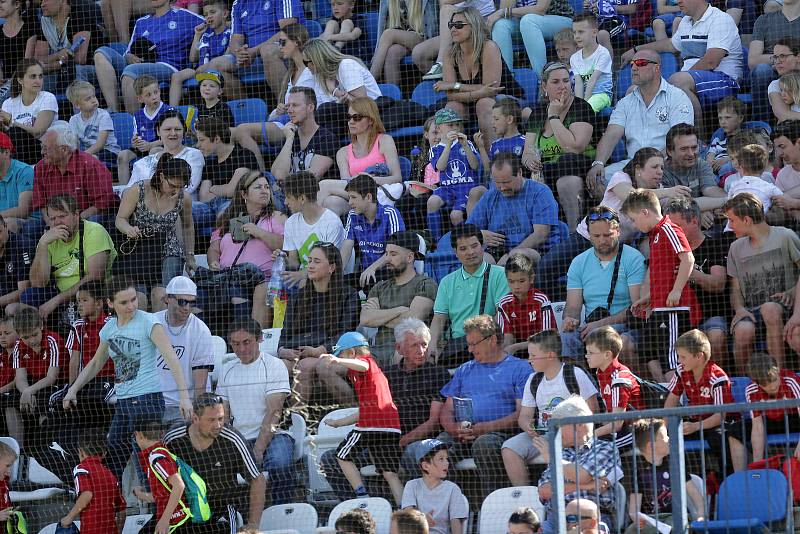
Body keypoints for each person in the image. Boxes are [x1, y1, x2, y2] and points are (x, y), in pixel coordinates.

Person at [63, 277, 194, 482]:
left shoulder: (149, 322)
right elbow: (96, 363)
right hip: (124, 403)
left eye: (133, 299)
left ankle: (156, 510)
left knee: (147, 463)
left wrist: (184, 397)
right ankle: (114, 509)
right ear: (110, 303)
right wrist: (73, 389)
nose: (131, 306)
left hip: (147, 401)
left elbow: (172, 358)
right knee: (113, 457)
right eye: (124, 302)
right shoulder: (109, 329)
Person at [318, 318, 453, 495]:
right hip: (384, 439)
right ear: (399, 348)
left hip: (418, 442)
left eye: (424, 345)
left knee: (414, 452)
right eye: (414, 346)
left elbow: (434, 422)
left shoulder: (438, 374)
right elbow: (370, 407)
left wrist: (403, 442)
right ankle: (361, 508)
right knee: (330, 459)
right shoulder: (385, 374)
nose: (421, 351)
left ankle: (415, 508)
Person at [438, 315, 533, 497]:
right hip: (463, 433)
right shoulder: (464, 369)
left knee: (484, 444)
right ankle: (453, 510)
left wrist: (485, 428)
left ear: (493, 340)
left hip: (502, 433)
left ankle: (496, 505)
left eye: (474, 344)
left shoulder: (520, 368)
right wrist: (454, 429)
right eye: (469, 344)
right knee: (432, 448)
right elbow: (447, 409)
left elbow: (522, 414)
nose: (470, 349)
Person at [620, 0, 742, 128]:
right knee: (633, 91)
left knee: (678, 81)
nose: (678, 1)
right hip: (688, 80)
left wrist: (669, 87)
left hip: (725, 81)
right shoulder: (686, 21)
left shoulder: (720, 19)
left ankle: (697, 141)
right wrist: (636, 50)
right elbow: (670, 45)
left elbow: (711, 62)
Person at [501, 330, 599, 487]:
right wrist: (528, 427)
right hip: (544, 435)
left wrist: (569, 432)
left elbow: (593, 410)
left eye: (533, 356)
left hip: (572, 436)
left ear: (550, 355)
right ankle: (529, 498)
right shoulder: (533, 380)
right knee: (509, 448)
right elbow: (524, 416)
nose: (529, 360)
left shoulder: (575, 374)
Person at [585, 50, 694, 191]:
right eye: (632, 64)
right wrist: (598, 163)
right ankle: (617, 213)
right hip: (634, 165)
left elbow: (681, 141)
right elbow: (611, 136)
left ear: (657, 68)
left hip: (666, 165)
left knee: (641, 183)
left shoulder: (677, 98)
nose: (634, 68)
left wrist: (649, 164)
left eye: (641, 63)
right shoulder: (625, 102)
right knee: (597, 181)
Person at [622, 188, 699, 382]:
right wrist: (650, 297)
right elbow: (663, 274)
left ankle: (681, 407)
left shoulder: (668, 229)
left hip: (674, 309)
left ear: (645, 212)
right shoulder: (654, 235)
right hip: (660, 306)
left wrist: (676, 290)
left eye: (633, 219)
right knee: (661, 359)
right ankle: (671, 401)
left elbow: (688, 259)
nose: (633, 224)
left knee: (674, 361)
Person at [216, 319, 295, 505]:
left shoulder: (275, 365)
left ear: (259, 339)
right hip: (239, 438)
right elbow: (223, 416)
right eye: (235, 344)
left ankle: (282, 510)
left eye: (246, 342)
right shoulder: (226, 370)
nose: (241, 349)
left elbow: (274, 412)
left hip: (276, 435)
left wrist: (257, 450)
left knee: (279, 464)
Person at [163, 393, 266, 533]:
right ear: (195, 418)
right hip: (185, 512)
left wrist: (253, 524)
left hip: (220, 512)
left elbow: (257, 480)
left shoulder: (233, 439)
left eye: (221, 418)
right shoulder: (173, 440)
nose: (218, 425)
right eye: (211, 420)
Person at [322, 331, 404, 505]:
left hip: (371, 426)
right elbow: (366, 409)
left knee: (342, 455)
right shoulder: (363, 376)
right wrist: (338, 423)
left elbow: (363, 365)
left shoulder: (368, 364)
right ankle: (405, 509)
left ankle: (361, 496)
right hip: (390, 427)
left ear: (351, 353)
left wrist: (337, 360)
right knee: (389, 473)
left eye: (342, 354)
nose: (340, 359)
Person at [725, 192, 800, 374]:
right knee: (743, 330)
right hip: (751, 311)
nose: (729, 225)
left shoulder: (785, 236)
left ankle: (778, 377)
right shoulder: (735, 248)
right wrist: (739, 309)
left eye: (732, 220)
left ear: (747, 220)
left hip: (785, 308)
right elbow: (735, 289)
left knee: (769, 309)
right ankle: (748, 385)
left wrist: (791, 292)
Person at [276, 241, 359, 405]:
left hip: (333, 353)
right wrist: (283, 350)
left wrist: (320, 350)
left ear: (332, 268)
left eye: (317, 261)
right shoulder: (297, 298)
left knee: (305, 365)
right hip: (299, 352)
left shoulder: (348, 295)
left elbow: (345, 335)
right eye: (309, 261)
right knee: (277, 366)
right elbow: (284, 336)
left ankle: (298, 419)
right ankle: (279, 419)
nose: (310, 266)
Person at [230, 24, 321, 169]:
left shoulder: (312, 71)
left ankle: (261, 177)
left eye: (283, 42)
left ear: (297, 42)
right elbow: (279, 112)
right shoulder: (290, 74)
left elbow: (319, 103)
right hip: (283, 121)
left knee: (242, 130)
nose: (280, 47)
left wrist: (293, 110)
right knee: (230, 133)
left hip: (298, 124)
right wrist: (279, 110)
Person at [560, 207, 645, 361]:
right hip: (591, 327)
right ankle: (580, 382)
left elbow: (637, 308)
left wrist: (600, 324)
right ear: (589, 236)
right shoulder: (579, 262)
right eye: (596, 236)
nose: (602, 241)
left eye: (607, 235)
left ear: (618, 231)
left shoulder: (634, 258)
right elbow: (572, 307)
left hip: (627, 326)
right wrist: (569, 320)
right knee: (566, 339)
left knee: (599, 337)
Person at [521, 61, 597, 231]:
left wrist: (554, 117)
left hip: (577, 166)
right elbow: (527, 151)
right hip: (548, 169)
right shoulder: (539, 112)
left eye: (565, 81)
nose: (562, 86)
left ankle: (573, 231)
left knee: (566, 161)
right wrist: (530, 161)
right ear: (544, 87)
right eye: (555, 82)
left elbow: (575, 147)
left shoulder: (580, 107)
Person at [92, 0, 204, 114]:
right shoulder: (141, 22)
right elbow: (128, 50)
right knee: (100, 54)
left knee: (130, 72)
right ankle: (113, 112)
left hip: (168, 66)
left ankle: (133, 125)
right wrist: (128, 56)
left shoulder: (184, 16)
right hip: (140, 63)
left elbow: (209, 23)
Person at [204, 171, 284, 329]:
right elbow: (214, 248)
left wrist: (259, 232)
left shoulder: (276, 217)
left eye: (267, 187)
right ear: (244, 194)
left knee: (240, 293)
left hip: (262, 279)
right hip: (228, 276)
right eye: (258, 187)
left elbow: (285, 244)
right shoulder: (226, 219)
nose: (264, 191)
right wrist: (213, 261)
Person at [433, 7, 523, 147]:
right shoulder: (450, 53)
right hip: (473, 101)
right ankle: (457, 158)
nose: (453, 29)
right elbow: (451, 95)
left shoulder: (488, 47)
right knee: (452, 107)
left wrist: (455, 86)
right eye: (451, 25)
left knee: (484, 103)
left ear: (474, 25)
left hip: (506, 98)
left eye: (459, 25)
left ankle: (493, 159)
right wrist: (479, 92)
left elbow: (492, 89)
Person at [115, 154, 195, 312]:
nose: (176, 191)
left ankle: (162, 334)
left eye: (181, 187)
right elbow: (120, 219)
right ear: (162, 177)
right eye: (173, 185)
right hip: (139, 247)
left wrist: (190, 255)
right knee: (140, 298)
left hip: (168, 248)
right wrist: (129, 229)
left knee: (162, 295)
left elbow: (187, 226)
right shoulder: (138, 190)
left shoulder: (184, 198)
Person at [535, 396, 622, 534]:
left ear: (579, 424)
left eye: (559, 425)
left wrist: (553, 459)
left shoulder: (606, 448)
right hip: (556, 518)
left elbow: (581, 475)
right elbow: (544, 491)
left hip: (590, 518)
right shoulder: (560, 453)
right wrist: (587, 486)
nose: (554, 431)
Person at [665, 329, 747, 473]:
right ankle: (690, 482)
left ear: (699, 356)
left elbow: (720, 416)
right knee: (668, 438)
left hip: (722, 423)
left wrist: (695, 426)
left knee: (718, 438)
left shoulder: (718, 377)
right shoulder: (681, 371)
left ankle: (728, 480)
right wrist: (665, 429)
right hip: (696, 422)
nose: (679, 361)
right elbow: (671, 402)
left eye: (683, 357)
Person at [664, 197, 733, 367]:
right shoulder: (667, 251)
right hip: (677, 317)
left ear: (694, 221)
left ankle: (716, 383)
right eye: (669, 228)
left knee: (715, 336)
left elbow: (718, 284)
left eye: (677, 227)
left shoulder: (714, 246)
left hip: (711, 314)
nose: (672, 232)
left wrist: (689, 273)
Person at [24, 194, 116, 321]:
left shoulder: (94, 231)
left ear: (76, 215)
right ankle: (41, 339)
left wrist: (56, 300)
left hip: (93, 294)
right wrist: (43, 245)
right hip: (61, 295)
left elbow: (95, 277)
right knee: (29, 296)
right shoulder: (49, 238)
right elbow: (37, 283)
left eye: (62, 216)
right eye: (52, 218)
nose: (57, 222)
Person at [429, 225, 510, 367]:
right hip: (457, 349)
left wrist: (480, 339)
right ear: (455, 252)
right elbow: (438, 320)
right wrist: (432, 345)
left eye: (474, 246)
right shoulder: (447, 282)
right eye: (463, 249)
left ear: (482, 246)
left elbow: (501, 314)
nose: (470, 252)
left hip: (487, 343)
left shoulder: (500, 274)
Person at [467, 152, 565, 264]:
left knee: (514, 259)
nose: (502, 188)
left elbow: (541, 234)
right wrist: (479, 234)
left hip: (534, 251)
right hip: (497, 251)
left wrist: (512, 253)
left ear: (519, 172)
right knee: (478, 260)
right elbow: (467, 231)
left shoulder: (540, 192)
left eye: (506, 182)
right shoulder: (491, 195)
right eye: (497, 182)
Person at [359, 232, 437, 365]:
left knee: (401, 357)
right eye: (386, 253)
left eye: (393, 254)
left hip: (408, 350)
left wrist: (380, 319)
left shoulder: (425, 284)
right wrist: (399, 310)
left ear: (410, 257)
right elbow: (366, 319)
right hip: (376, 350)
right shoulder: (380, 287)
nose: (387, 259)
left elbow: (413, 321)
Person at [29, 122, 118, 237]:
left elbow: (101, 204)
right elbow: (41, 203)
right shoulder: (41, 168)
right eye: (42, 148)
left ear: (64, 150)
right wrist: (51, 224)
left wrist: (73, 221)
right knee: (30, 229)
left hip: (85, 216)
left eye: (46, 149)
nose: (42, 152)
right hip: (54, 219)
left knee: (93, 223)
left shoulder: (90, 165)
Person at [204, 0, 304, 102]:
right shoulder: (238, 3)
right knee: (214, 65)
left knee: (267, 51)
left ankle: (286, 106)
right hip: (251, 54)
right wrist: (239, 53)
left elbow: (289, 30)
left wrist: (254, 51)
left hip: (285, 46)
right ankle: (247, 108)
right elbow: (235, 39)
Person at [623, 418, 706, 533]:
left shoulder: (676, 465)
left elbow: (698, 500)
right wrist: (636, 518)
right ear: (651, 446)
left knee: (673, 527)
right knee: (630, 531)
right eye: (665, 436)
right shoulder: (639, 471)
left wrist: (701, 518)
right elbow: (633, 509)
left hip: (677, 518)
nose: (669, 439)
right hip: (651, 521)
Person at [325, 97, 403, 217]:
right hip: (354, 197)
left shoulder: (384, 141)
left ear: (371, 120)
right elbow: (346, 185)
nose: (351, 122)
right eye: (349, 117)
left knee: (323, 186)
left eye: (356, 118)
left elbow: (397, 178)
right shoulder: (343, 152)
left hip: (376, 195)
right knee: (331, 202)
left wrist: (367, 179)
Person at [154, 276, 213, 427]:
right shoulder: (152, 323)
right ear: (167, 299)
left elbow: (200, 387)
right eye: (182, 301)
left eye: (192, 303)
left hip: (183, 409)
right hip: (152, 405)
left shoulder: (201, 331)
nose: (187, 307)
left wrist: (196, 418)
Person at [280, 171, 351, 288]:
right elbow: (295, 263)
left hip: (329, 280)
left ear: (302, 198)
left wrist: (302, 275)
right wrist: (284, 259)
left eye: (288, 197)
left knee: (303, 285)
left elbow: (329, 265)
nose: (285, 202)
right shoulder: (291, 222)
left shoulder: (331, 222)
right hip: (303, 278)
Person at [61, 282, 114, 435]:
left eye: (84, 300)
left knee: (92, 400)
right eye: (78, 301)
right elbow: (74, 361)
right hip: (85, 380)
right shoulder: (77, 326)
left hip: (109, 379)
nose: (80, 305)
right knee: (58, 400)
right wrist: (72, 387)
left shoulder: (111, 324)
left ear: (98, 303)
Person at [301, 38, 382, 138]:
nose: (306, 67)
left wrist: (335, 91)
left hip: (371, 112)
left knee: (325, 110)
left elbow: (363, 102)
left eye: (306, 63)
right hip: (346, 118)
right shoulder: (320, 78)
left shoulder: (346, 65)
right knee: (329, 126)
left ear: (316, 61)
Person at [133, 417, 198, 534]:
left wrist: (164, 520)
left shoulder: (156, 457)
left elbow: (179, 486)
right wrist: (141, 495)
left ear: (138, 434)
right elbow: (163, 495)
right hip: (172, 517)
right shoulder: (156, 454)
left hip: (177, 519)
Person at [426, 108, 481, 243]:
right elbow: (440, 167)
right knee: (432, 202)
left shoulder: (466, 143)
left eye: (457, 124)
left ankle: (464, 242)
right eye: (450, 125)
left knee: (455, 215)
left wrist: (466, 146)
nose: (455, 128)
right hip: (446, 188)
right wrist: (448, 145)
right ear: (439, 128)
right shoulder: (435, 148)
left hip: (465, 187)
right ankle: (435, 241)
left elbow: (475, 166)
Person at [268, 87, 340, 190]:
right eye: (288, 106)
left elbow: (312, 177)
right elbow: (279, 175)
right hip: (288, 197)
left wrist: (286, 180)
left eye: (295, 105)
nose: (290, 110)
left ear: (310, 108)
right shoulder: (289, 137)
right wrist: (289, 140)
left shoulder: (327, 139)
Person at [341, 174, 406, 288]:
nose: (349, 202)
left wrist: (373, 268)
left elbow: (397, 249)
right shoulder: (353, 216)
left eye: (353, 197)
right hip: (367, 275)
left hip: (391, 273)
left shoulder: (390, 214)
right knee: (336, 285)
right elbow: (347, 247)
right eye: (349, 198)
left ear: (369, 197)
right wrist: (336, 272)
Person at [129, 110, 205, 203]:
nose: (173, 133)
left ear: (184, 131)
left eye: (178, 129)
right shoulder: (142, 163)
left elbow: (189, 187)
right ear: (158, 131)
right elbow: (128, 192)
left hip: (183, 209)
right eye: (168, 129)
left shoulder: (194, 155)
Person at [168, 0, 233, 108]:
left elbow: (226, 57)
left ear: (225, 14)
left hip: (217, 71)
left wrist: (206, 68)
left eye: (212, 12)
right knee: (176, 76)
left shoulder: (230, 33)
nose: (209, 17)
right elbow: (193, 58)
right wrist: (197, 35)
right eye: (206, 14)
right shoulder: (205, 35)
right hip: (198, 70)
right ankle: (172, 111)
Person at [584, 326, 642, 446]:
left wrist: (589, 435)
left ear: (607, 355)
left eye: (590, 352)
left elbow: (617, 424)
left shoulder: (619, 378)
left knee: (594, 447)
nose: (586, 356)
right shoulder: (601, 373)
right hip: (621, 429)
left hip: (639, 430)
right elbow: (609, 415)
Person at [30, 0, 103, 94]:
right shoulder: (44, 21)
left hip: (93, 70)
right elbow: (39, 59)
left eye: (46, 0)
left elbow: (80, 59)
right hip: (63, 70)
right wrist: (58, 56)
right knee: (35, 78)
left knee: (78, 70)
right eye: (42, 1)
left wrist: (53, 65)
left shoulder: (80, 14)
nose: (42, 4)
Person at [12, 307, 65, 433]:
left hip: (58, 384)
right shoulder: (18, 347)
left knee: (43, 398)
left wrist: (30, 391)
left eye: (34, 334)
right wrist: (26, 391)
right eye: (26, 337)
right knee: (9, 399)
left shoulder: (53, 340)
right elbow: (20, 378)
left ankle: (45, 443)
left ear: (41, 326)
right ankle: (18, 447)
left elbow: (52, 378)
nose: (32, 340)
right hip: (33, 384)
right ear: (19, 335)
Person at [60, 432, 126, 534]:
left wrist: (69, 517)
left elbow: (86, 494)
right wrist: (118, 531)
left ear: (80, 452)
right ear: (104, 453)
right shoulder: (110, 475)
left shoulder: (81, 469)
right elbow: (122, 511)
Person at [194, 116, 260, 217]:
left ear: (216, 139)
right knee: (186, 209)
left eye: (201, 140)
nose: (197, 145)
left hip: (234, 205)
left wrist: (213, 188)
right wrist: (223, 190)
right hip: (209, 206)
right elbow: (203, 197)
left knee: (225, 212)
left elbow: (232, 190)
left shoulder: (243, 154)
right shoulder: (209, 163)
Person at [401, 438, 468, 534]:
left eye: (447, 459)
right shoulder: (411, 486)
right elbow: (409, 514)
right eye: (441, 459)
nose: (447, 463)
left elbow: (456, 523)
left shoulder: (453, 489)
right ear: (425, 466)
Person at [748, 0, 800, 122]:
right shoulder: (763, 20)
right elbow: (753, 60)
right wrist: (784, 59)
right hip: (773, 71)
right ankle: (761, 126)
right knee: (761, 70)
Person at [115, 75, 172, 186]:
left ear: (160, 91)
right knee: (123, 155)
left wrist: (150, 145)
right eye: (148, 95)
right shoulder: (137, 115)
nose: (154, 97)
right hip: (143, 147)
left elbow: (172, 137)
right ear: (140, 99)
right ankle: (124, 190)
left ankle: (151, 188)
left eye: (156, 92)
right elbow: (136, 136)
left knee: (153, 152)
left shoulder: (168, 111)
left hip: (160, 146)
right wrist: (135, 141)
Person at [496, 253, 557, 356]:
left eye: (521, 281)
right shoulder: (504, 303)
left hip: (542, 350)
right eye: (511, 282)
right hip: (517, 353)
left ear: (532, 279)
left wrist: (515, 347)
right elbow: (507, 338)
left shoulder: (542, 300)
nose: (516, 286)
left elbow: (548, 337)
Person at [660, 123, 727, 216]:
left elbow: (710, 190)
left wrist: (730, 200)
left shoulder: (700, 164)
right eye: (684, 149)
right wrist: (699, 212)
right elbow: (675, 207)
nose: (691, 154)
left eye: (694, 147)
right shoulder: (660, 172)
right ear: (670, 151)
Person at [0, 59, 58, 165]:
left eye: (40, 76)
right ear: (20, 80)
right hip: (15, 152)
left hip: (42, 150)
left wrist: (11, 121)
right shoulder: (8, 103)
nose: (38, 80)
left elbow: (37, 132)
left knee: (16, 132)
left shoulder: (47, 98)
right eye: (33, 76)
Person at [746, 353, 800, 462]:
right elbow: (757, 426)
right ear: (758, 384)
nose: (774, 387)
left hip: (793, 419)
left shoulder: (791, 381)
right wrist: (758, 462)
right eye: (769, 388)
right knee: (734, 430)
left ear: (778, 370)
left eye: (775, 381)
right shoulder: (751, 390)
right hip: (770, 421)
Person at [371, 0, 438, 86]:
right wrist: (377, 51)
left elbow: (433, 26)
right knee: (392, 52)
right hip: (401, 40)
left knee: (388, 34)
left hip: (423, 39)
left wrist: (377, 55)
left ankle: (370, 83)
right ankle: (393, 96)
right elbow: (381, 25)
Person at [66, 81, 120, 167]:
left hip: (109, 152)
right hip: (89, 152)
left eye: (94, 96)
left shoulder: (103, 115)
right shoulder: (74, 120)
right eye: (88, 99)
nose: (93, 100)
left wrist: (82, 155)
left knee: (91, 158)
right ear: (77, 105)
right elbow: (74, 143)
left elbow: (100, 144)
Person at [517, 0, 574, 75]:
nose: (561, 54)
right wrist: (503, 12)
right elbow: (503, 10)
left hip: (563, 19)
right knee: (501, 24)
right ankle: (507, 78)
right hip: (529, 24)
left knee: (528, 21)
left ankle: (541, 77)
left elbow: (540, 9)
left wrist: (506, 11)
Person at [570, 14, 612, 114]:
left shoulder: (603, 53)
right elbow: (579, 84)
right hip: (584, 96)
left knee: (585, 111)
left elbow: (592, 81)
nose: (577, 36)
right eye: (574, 32)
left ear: (594, 32)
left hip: (602, 95)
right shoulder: (574, 58)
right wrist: (579, 104)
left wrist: (583, 105)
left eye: (581, 32)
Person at [474, 99, 526, 173]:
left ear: (509, 119)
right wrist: (481, 147)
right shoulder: (495, 144)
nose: (492, 122)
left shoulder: (525, 142)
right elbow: (489, 171)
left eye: (496, 119)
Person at [0, 0, 36, 97]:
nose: (0, 5)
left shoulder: (29, 28)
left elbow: (26, 62)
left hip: (23, 79)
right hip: (4, 83)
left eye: (2, 2)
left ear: (17, 4)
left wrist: (10, 82)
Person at [0, 132, 34, 234]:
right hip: (3, 220)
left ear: (6, 153)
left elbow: (23, 211)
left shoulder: (24, 171)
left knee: (8, 224)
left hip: (27, 222)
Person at [0, 213, 33, 312]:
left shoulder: (23, 246)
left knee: (11, 309)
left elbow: (23, 291)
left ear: (5, 226)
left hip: (16, 305)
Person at [705, 96, 745, 177]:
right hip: (715, 169)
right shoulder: (718, 139)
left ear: (740, 118)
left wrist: (726, 160)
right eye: (720, 118)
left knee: (727, 167)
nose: (723, 122)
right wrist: (711, 162)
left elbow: (744, 155)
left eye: (727, 117)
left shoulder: (745, 138)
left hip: (732, 167)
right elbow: (710, 154)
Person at [0, 316, 22, 444]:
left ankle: (18, 447)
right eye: (0, 334)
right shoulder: (1, 355)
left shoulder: (21, 352)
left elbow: (17, 380)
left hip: (14, 393)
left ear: (19, 332)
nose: (2, 337)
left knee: (9, 401)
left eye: (7, 333)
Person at [768, 38, 800, 123]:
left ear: (798, 57)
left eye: (782, 56)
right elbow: (784, 116)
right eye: (775, 57)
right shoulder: (775, 85)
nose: (777, 62)